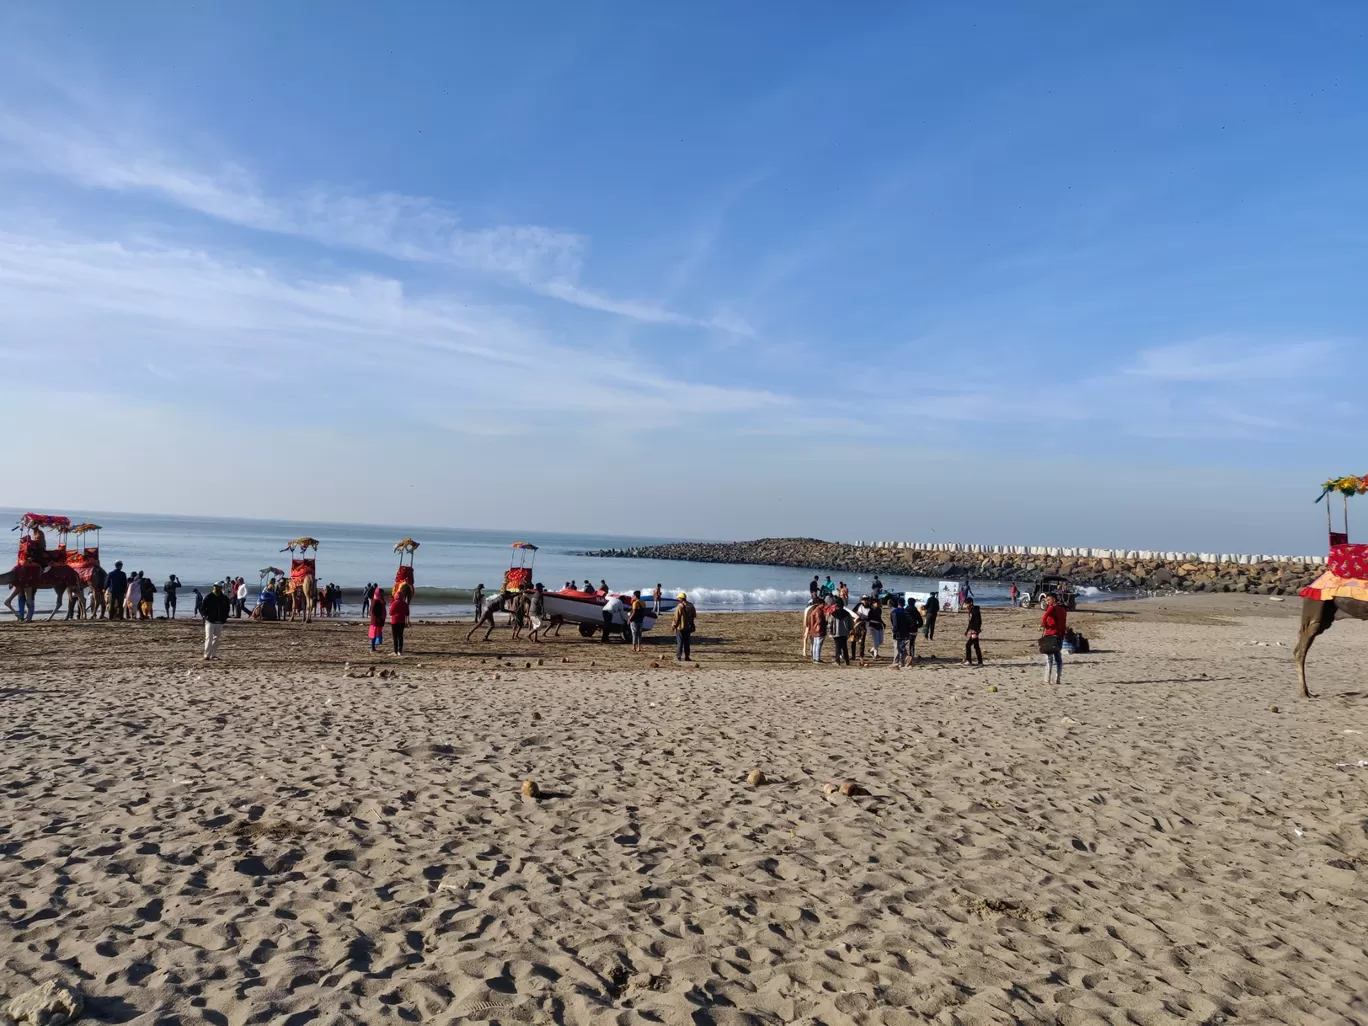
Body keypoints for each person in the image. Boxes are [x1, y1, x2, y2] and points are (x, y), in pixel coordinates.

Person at [1040, 593, 1067, 685]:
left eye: (1049, 600)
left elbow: (1043, 617)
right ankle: (1057, 679)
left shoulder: (1052, 608)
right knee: (1058, 658)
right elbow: (1063, 623)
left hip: (1051, 634)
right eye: (1047, 600)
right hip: (1060, 635)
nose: (1047, 602)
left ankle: (1047, 680)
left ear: (1054, 599)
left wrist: (1045, 625)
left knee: (1049, 658)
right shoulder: (1063, 609)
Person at [201, 583, 231, 660]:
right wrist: (205, 616)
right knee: (209, 638)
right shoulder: (209, 597)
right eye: (215, 587)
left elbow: (227, 608)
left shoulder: (224, 598)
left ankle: (213, 655)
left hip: (220, 621)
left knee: (216, 639)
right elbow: (202, 608)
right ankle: (206, 655)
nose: (216, 588)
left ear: (221, 588)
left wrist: (224, 618)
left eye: (218, 587)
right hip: (210, 621)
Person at [827, 597, 853, 665]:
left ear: (836, 605)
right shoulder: (847, 613)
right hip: (845, 633)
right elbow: (851, 622)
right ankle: (847, 661)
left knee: (837, 647)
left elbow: (830, 624)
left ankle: (837, 661)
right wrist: (850, 629)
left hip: (836, 632)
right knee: (845, 647)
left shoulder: (833, 614)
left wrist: (830, 632)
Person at [671, 591, 696, 661]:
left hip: (680, 627)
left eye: (679, 598)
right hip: (688, 627)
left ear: (681, 598)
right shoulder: (691, 605)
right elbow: (694, 615)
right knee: (687, 642)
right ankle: (687, 656)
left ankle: (678, 657)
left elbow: (676, 618)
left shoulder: (679, 606)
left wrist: (673, 626)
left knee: (680, 643)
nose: (678, 599)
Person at [890, 597, 912, 668]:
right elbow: (909, 623)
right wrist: (908, 632)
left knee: (897, 647)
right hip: (905, 631)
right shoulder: (906, 611)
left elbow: (895, 624)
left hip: (898, 632)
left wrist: (894, 631)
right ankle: (902, 661)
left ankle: (897, 661)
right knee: (902, 646)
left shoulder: (895, 612)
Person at [389, 583, 411, 656]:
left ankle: (395, 651)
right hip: (402, 622)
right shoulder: (404, 604)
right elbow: (407, 613)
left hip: (395, 622)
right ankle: (400, 651)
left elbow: (390, 613)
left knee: (395, 637)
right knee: (400, 636)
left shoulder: (394, 603)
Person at [963, 598, 983, 666]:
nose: (965, 605)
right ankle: (980, 662)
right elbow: (970, 622)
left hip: (975, 631)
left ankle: (969, 661)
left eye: (966, 603)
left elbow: (979, 621)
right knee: (976, 646)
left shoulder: (975, 611)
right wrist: (967, 630)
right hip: (972, 630)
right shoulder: (970, 610)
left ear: (970, 603)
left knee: (968, 645)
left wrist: (976, 631)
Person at [805, 597, 826, 662]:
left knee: (815, 644)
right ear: (820, 604)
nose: (824, 605)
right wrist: (825, 622)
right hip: (819, 630)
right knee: (818, 645)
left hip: (814, 630)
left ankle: (814, 657)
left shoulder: (814, 611)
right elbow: (819, 621)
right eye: (823, 604)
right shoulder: (819, 611)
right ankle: (817, 658)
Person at [368, 586, 385, 651]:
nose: (383, 594)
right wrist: (378, 617)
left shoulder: (379, 599)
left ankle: (375, 645)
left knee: (377, 633)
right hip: (376, 620)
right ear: (378, 593)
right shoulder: (375, 601)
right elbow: (372, 611)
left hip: (379, 620)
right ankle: (373, 648)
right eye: (382, 593)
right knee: (374, 634)